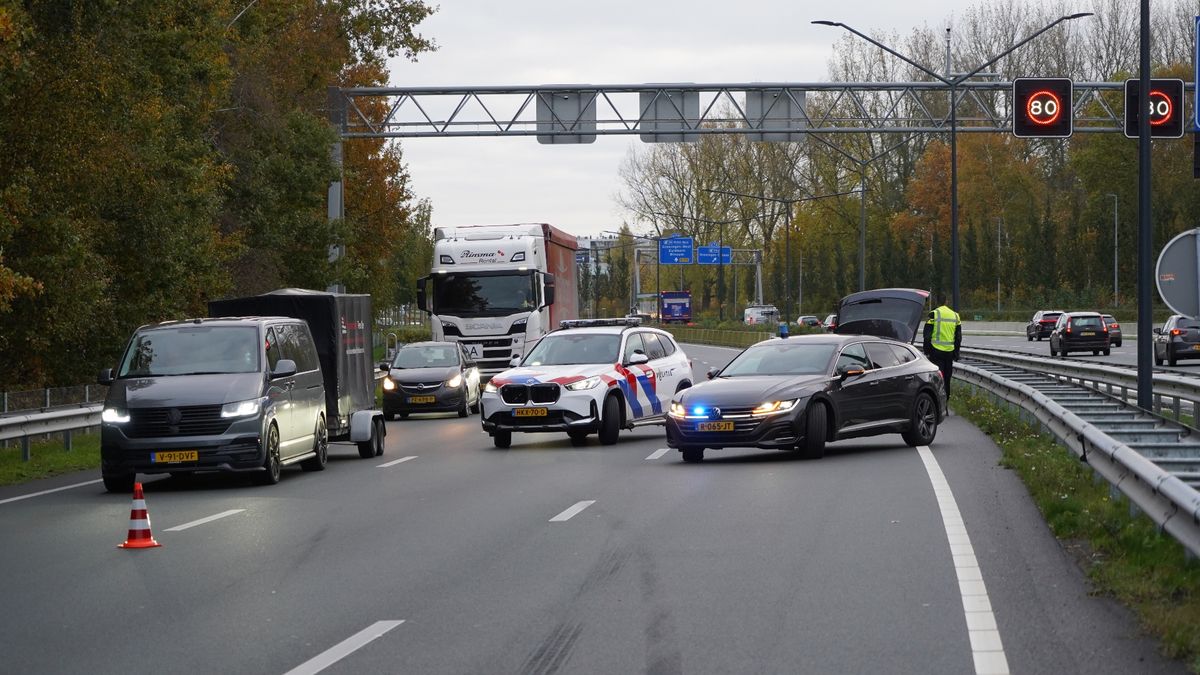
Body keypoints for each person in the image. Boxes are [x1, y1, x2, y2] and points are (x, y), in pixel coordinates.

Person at [922, 293, 962, 403]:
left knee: (936, 378)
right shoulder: (955, 315)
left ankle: (936, 402)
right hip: (949, 352)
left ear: (936, 302)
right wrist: (956, 353)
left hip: (936, 351)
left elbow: (927, 336)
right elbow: (958, 337)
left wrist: (927, 351)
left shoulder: (934, 314)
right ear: (946, 302)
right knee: (947, 378)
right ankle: (946, 402)